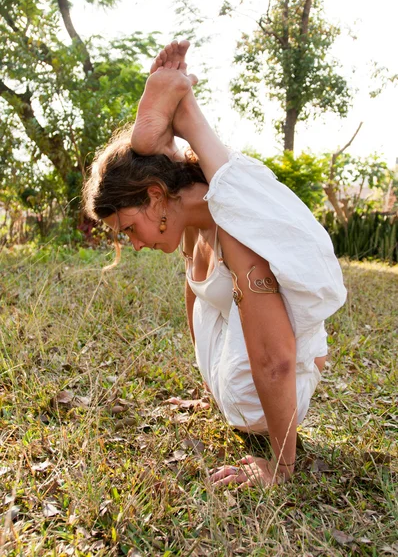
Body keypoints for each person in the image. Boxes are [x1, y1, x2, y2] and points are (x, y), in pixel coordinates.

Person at [83, 40, 346, 489]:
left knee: (237, 211)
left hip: (278, 391)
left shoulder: (237, 231)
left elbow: (276, 361)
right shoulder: (189, 218)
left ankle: (185, 120)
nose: (135, 244)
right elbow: (197, 300)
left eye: (128, 229)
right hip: (245, 386)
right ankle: (175, 130)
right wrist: (210, 390)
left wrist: (282, 468)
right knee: (220, 199)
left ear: (153, 198)